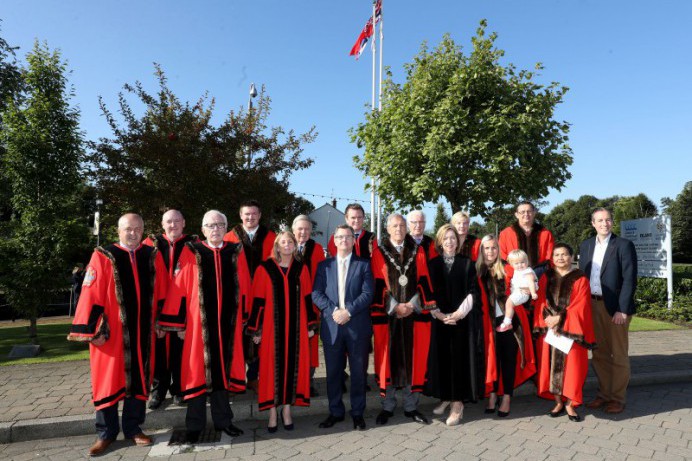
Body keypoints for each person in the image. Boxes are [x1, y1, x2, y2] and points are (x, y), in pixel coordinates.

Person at [68, 213, 167, 456]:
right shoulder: (103, 256)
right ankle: (106, 434)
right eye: (127, 229)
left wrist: (162, 321)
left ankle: (133, 429)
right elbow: (90, 293)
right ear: (118, 231)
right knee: (107, 382)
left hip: (143, 333)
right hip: (111, 335)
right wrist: (93, 331)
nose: (132, 233)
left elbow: (164, 290)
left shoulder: (151, 255)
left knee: (139, 380)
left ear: (143, 230)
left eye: (137, 229)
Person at [158, 210, 251, 443]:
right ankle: (194, 426)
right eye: (211, 225)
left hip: (227, 327)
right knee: (197, 375)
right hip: (198, 328)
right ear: (203, 229)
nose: (216, 229)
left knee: (222, 374)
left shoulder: (235, 252)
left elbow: (246, 286)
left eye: (220, 225)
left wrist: (245, 319)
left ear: (226, 228)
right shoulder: (193, 252)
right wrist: (178, 323)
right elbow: (178, 287)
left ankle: (224, 421)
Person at [246, 231, 317, 432]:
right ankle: (271, 413)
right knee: (270, 369)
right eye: (283, 242)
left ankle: (286, 411)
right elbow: (257, 300)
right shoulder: (265, 268)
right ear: (277, 246)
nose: (287, 245)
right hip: (271, 329)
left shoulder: (301, 269)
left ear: (295, 246)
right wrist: (256, 329)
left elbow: (307, 298)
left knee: (292, 368)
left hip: (296, 329)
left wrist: (311, 325)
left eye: (290, 242)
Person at [370, 213, 436, 425]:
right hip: (388, 317)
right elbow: (377, 283)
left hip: (412, 316)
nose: (398, 229)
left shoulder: (418, 251)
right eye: (394, 225)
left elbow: (424, 280)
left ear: (407, 228)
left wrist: (411, 305)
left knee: (412, 360)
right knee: (387, 361)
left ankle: (411, 407)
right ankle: (387, 407)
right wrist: (394, 306)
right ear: (387, 229)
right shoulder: (379, 252)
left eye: (402, 225)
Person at [312, 224, 374, 431]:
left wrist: (347, 311)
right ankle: (335, 412)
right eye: (340, 237)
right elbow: (316, 294)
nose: (344, 240)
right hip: (332, 327)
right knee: (333, 372)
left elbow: (368, 294)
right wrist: (334, 311)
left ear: (354, 240)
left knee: (358, 373)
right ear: (334, 240)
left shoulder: (364, 265)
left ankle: (357, 413)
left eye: (348, 237)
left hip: (357, 325)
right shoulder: (324, 266)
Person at [579, 207, 637, 414]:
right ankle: (604, 394)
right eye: (600, 220)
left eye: (608, 220)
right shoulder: (585, 246)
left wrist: (622, 309)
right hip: (591, 306)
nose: (605, 223)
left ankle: (617, 398)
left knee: (618, 354)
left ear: (612, 222)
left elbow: (629, 279)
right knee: (599, 354)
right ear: (593, 223)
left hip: (615, 309)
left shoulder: (623, 245)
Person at [425, 224, 483, 426]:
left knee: (459, 361)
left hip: (461, 321)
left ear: (458, 241)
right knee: (443, 361)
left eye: (453, 238)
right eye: (446, 238)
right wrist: (439, 314)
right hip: (440, 321)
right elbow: (426, 292)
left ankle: (458, 404)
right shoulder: (432, 264)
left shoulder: (468, 263)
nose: (450, 242)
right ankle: (447, 397)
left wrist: (458, 314)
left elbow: (473, 292)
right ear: (440, 241)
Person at [534, 243, 596, 422]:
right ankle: (558, 402)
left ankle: (570, 403)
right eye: (557, 255)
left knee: (573, 368)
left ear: (571, 257)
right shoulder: (547, 277)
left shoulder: (580, 278)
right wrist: (549, 320)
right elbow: (541, 302)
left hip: (571, 330)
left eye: (564, 254)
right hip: (550, 330)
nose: (560, 258)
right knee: (550, 366)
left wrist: (559, 318)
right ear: (552, 259)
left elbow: (581, 305)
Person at [476, 235, 535, 418]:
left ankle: (507, 397)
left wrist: (528, 289)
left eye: (494, 247)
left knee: (508, 360)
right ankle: (492, 395)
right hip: (486, 323)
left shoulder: (509, 268)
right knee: (491, 360)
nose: (490, 251)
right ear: (481, 250)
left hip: (508, 321)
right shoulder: (477, 270)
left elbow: (527, 282)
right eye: (487, 248)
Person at [143, 209, 198, 409]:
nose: (172, 225)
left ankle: (180, 389)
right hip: (157, 304)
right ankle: (157, 390)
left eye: (176, 221)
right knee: (158, 351)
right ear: (162, 224)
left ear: (183, 223)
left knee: (180, 350)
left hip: (183, 307)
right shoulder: (150, 245)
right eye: (169, 221)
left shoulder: (194, 245)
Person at [223, 200, 276, 391]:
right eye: (247, 214)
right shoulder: (229, 237)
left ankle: (253, 376)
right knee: (234, 336)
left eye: (254, 214)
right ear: (240, 215)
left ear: (260, 215)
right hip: (236, 295)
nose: (250, 217)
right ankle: (233, 377)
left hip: (263, 295)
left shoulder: (271, 237)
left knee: (260, 335)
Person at [292, 214, 326, 396]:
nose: (303, 232)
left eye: (307, 229)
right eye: (300, 229)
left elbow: (322, 278)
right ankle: (291, 382)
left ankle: (308, 382)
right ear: (293, 230)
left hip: (310, 304)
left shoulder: (317, 248)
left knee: (311, 345)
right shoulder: (284, 246)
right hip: (288, 304)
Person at [498, 201, 554, 278]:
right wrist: (514, 273)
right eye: (522, 212)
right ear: (516, 215)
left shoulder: (545, 233)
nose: (526, 214)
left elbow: (550, 257)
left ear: (534, 213)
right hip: (514, 276)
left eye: (529, 211)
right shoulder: (505, 233)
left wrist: (539, 273)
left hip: (540, 276)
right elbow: (502, 256)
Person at [498, 250, 539, 333]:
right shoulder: (517, 271)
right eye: (516, 263)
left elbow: (531, 282)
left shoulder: (527, 271)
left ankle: (507, 322)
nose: (520, 265)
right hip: (518, 292)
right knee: (509, 304)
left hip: (522, 293)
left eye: (522, 262)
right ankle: (508, 321)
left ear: (527, 261)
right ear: (512, 264)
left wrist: (533, 293)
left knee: (509, 303)